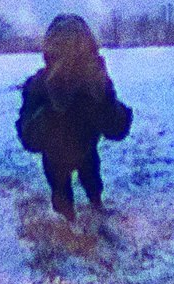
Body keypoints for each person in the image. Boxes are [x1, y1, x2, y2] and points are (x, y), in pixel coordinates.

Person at [15, 14, 133, 218]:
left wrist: (102, 97)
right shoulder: (39, 85)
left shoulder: (94, 81)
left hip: (87, 149)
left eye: (78, 54)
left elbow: (117, 129)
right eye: (63, 54)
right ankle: (68, 220)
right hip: (54, 158)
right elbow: (28, 139)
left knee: (93, 182)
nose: (71, 63)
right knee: (61, 198)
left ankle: (95, 204)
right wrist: (53, 107)